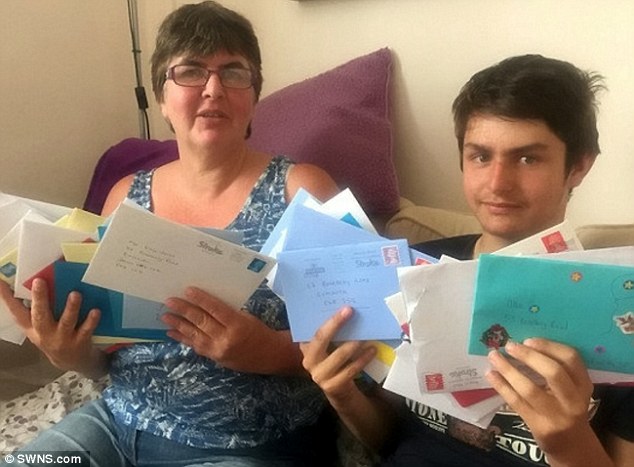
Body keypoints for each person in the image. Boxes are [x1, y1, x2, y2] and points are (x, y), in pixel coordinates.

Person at [0, 2, 340, 466]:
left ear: (254, 96)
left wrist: (270, 352)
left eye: (234, 72)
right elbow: (106, 356)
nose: (214, 89)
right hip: (116, 424)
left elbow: (362, 342)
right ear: (162, 97)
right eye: (191, 72)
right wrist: (71, 355)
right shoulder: (127, 196)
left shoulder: (303, 189)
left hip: (243, 444)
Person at [300, 55, 634, 466]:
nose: (497, 183)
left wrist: (569, 443)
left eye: (527, 158)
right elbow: (392, 438)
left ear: (579, 166)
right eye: (480, 156)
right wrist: (343, 393)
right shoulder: (420, 270)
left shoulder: (621, 310)